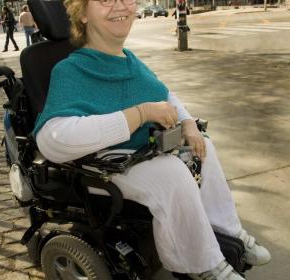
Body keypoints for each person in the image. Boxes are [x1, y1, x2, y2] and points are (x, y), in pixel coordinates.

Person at [33, 0, 272, 279]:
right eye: (106, 0)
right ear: (82, 14)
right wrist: (141, 113)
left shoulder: (129, 59)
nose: (120, 6)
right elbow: (52, 140)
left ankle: (228, 231)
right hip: (104, 164)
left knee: (203, 147)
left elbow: (165, 95)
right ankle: (202, 265)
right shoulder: (70, 70)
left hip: (142, 151)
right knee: (171, 174)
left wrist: (189, 125)